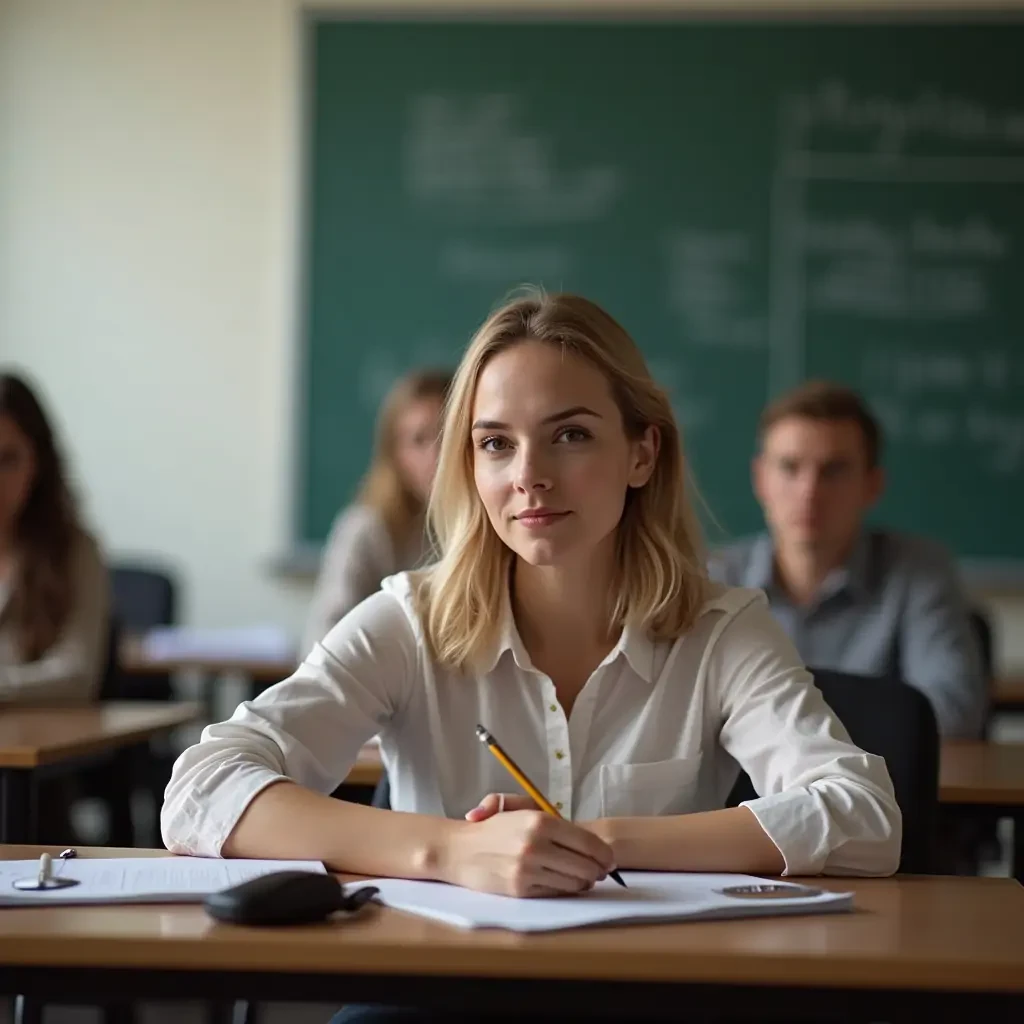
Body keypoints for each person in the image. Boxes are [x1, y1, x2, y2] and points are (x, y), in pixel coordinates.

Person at [165, 289, 898, 880]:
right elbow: (201, 789)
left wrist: (598, 842)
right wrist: (453, 851)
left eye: (571, 435)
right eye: (496, 444)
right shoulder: (409, 620)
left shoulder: (721, 628)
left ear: (642, 453)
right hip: (437, 990)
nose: (529, 477)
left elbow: (864, 817)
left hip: (643, 990)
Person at [708, 381, 985, 740]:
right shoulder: (715, 578)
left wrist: (782, 727)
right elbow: (687, 714)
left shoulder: (919, 571)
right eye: (790, 467)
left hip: (880, 792)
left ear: (872, 485)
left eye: (834, 470)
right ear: (761, 480)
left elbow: (953, 709)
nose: (810, 491)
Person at [301, 369, 451, 656]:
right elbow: (322, 642)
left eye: (446, 435)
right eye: (419, 440)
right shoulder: (368, 528)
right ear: (394, 454)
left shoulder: (494, 523)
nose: (436, 454)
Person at [0, 372, 108, 704]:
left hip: (34, 747)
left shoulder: (75, 551)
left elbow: (75, 675)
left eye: (7, 460)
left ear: (38, 464)